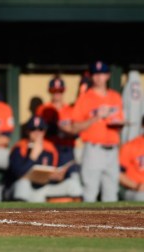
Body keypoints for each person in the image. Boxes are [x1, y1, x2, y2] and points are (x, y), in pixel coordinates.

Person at [71, 61, 124, 202]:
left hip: (112, 149)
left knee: (112, 194)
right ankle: (88, 224)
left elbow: (119, 122)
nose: (99, 78)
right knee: (90, 193)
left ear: (108, 75)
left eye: (102, 74)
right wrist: (96, 117)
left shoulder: (115, 97)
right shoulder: (85, 97)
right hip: (93, 149)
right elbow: (75, 126)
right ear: (91, 76)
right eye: (96, 74)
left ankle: (112, 224)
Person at [4, 116, 82, 202]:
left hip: (43, 188)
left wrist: (57, 177)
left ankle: (79, 214)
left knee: (73, 184)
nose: (37, 132)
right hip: (21, 190)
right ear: (27, 131)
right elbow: (18, 174)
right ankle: (20, 215)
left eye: (40, 129)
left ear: (44, 131)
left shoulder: (50, 148)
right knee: (23, 183)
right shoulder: (20, 147)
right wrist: (33, 156)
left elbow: (55, 171)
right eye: (33, 129)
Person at [36, 76, 80, 181]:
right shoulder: (43, 109)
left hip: (67, 149)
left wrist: (59, 129)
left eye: (60, 90)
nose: (57, 93)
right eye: (54, 90)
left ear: (63, 91)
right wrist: (62, 129)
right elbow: (38, 131)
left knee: (71, 178)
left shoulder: (71, 110)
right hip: (48, 148)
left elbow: (76, 133)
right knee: (47, 179)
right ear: (49, 91)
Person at [119, 115, 144, 201]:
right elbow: (119, 174)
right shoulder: (130, 146)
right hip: (134, 190)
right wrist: (136, 186)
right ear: (142, 125)